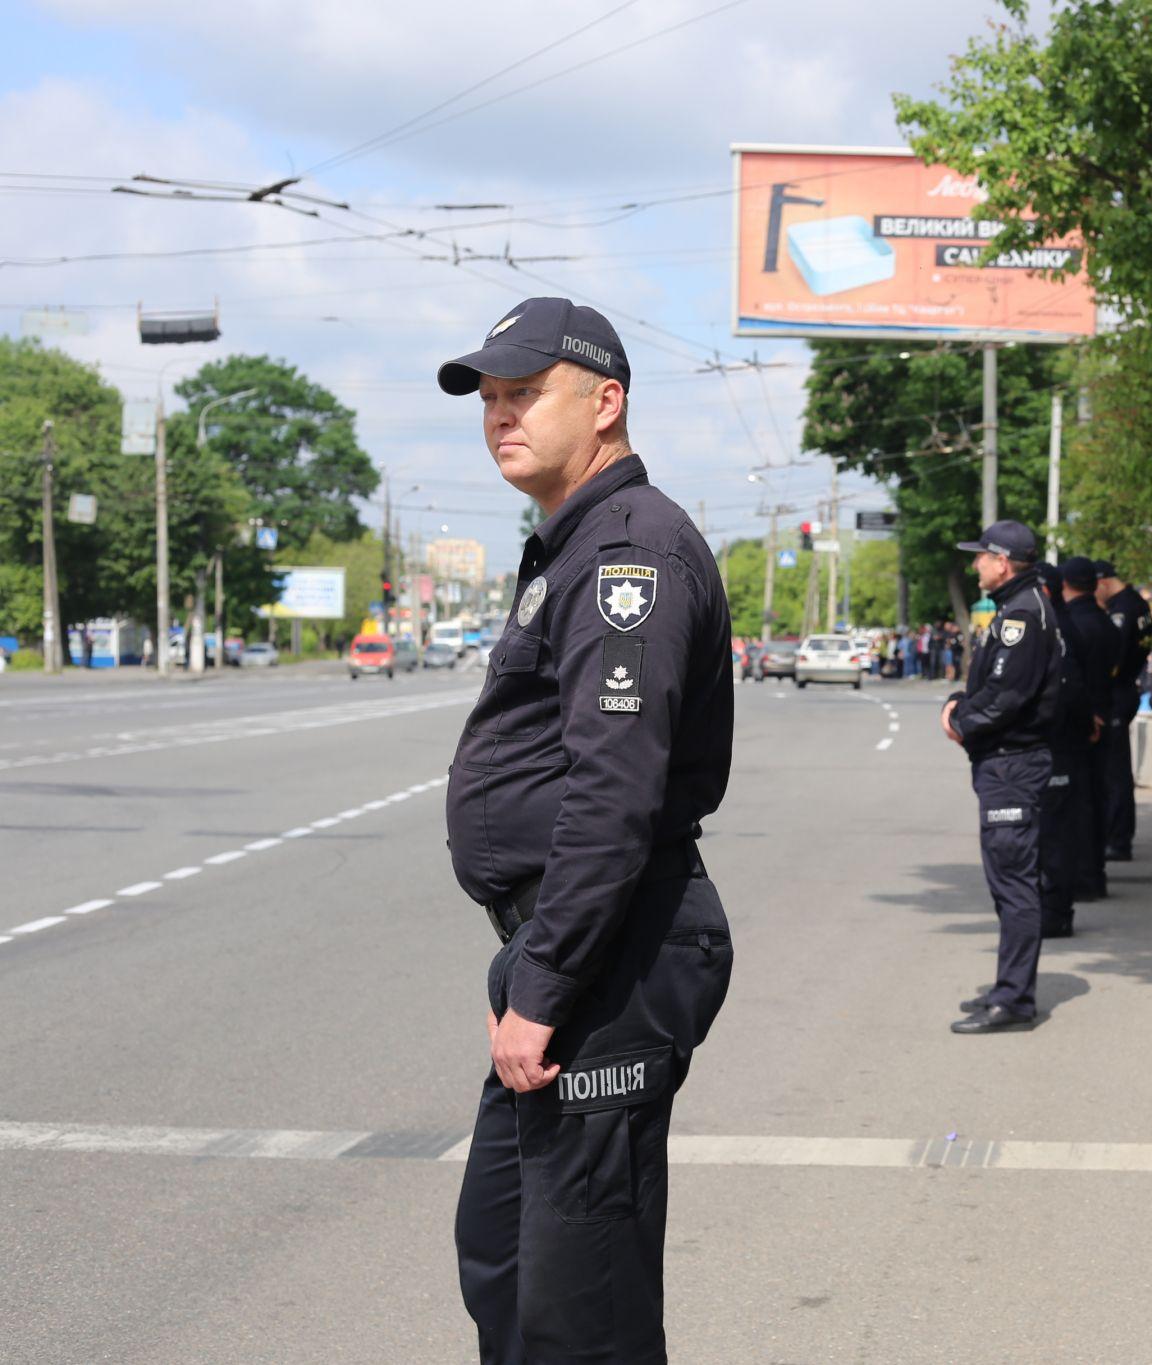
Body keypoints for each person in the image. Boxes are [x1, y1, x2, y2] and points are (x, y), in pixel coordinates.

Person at [437, 297, 736, 1363]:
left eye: (526, 394)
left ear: (605, 404)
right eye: (492, 399)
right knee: (508, 1259)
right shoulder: (572, 546)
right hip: (571, 951)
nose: (500, 416)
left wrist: (547, 984)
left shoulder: (627, 556)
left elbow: (614, 799)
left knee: (581, 1301)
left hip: (616, 953)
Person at [945, 521, 1064, 1034]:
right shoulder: (1019, 607)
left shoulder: (1022, 614)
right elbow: (990, 685)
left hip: (1013, 765)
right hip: (1006, 764)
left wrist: (961, 722)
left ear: (1004, 561)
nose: (975, 566)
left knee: (1014, 882)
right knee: (1005, 878)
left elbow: (1008, 697)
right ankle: (1007, 988)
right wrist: (959, 704)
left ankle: (1014, 1001)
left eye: (981, 558)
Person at [1033, 560, 1088, 939]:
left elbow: (1069, 689)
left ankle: (1054, 911)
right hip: (1062, 743)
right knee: (1053, 832)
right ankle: (1054, 907)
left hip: (1058, 745)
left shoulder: (1056, 629)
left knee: (1053, 835)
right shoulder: (1056, 625)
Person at [1060, 557, 1119, 902]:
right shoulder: (1106, 624)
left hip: (1084, 722)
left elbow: (1073, 680)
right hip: (1105, 711)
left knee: (1078, 805)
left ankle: (1083, 876)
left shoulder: (1072, 626)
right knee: (1098, 796)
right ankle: (1095, 872)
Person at [1094, 560, 1152, 861]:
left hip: (1118, 691)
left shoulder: (1122, 609)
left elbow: (1112, 656)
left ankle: (1118, 839)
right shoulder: (1136, 603)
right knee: (1115, 769)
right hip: (1128, 688)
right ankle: (1117, 835)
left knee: (1114, 771)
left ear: (1103, 582)